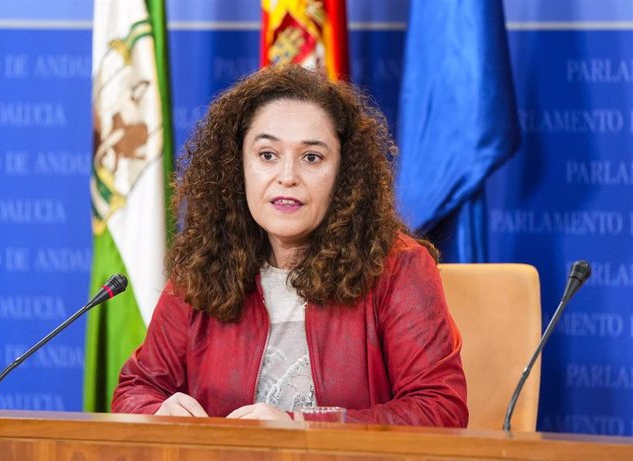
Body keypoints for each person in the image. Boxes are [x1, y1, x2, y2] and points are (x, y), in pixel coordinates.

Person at [111, 65, 468, 427]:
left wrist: (303, 425)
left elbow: (439, 410)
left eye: (311, 157)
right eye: (267, 155)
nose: (287, 177)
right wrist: (157, 410)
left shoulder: (397, 269)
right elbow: (136, 389)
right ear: (238, 166)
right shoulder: (204, 266)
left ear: (343, 174)